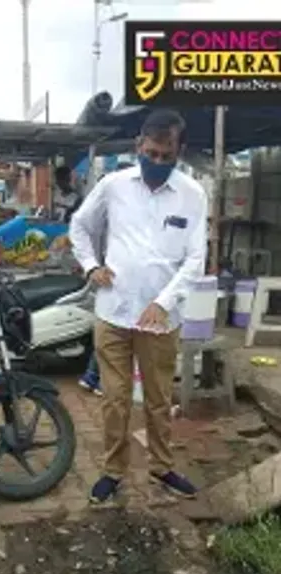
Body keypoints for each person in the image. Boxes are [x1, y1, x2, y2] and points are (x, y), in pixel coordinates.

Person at [69, 111, 205, 506]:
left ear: (179, 152)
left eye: (167, 156)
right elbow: (79, 225)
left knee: (160, 399)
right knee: (115, 399)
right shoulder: (113, 186)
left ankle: (162, 466)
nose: (158, 162)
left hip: (161, 319)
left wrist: (163, 303)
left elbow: (196, 258)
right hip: (114, 311)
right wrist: (92, 265)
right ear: (138, 147)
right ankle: (113, 471)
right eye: (152, 153)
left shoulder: (192, 194)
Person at [78, 161, 137, 396]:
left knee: (110, 329)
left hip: (104, 274)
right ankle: (99, 380)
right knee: (117, 330)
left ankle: (92, 376)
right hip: (112, 277)